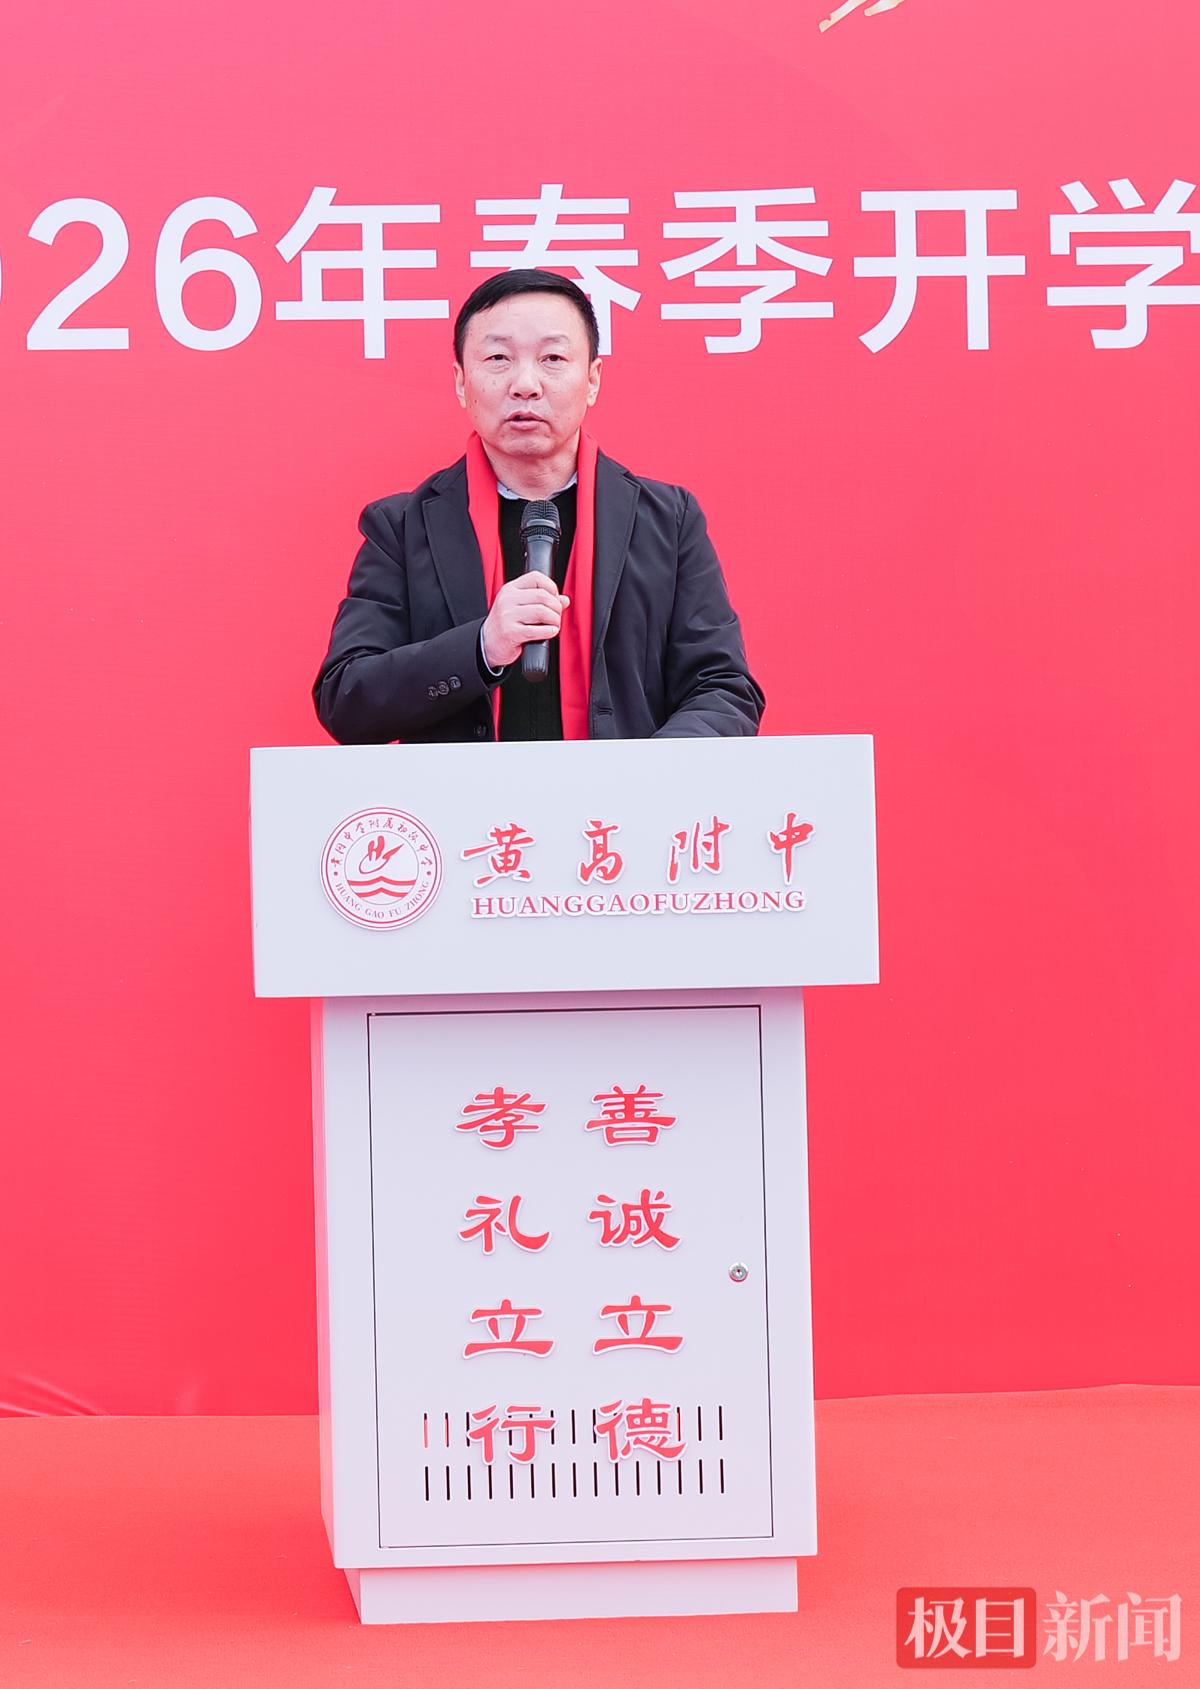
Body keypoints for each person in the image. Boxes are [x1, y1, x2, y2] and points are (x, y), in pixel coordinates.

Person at [313, 268, 764, 743]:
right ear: (462, 382)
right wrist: (481, 647)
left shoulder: (668, 520)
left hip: (624, 794)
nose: (525, 384)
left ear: (592, 379)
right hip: (461, 793)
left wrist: (643, 773)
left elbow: (724, 690)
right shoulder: (401, 528)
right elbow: (346, 701)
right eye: (498, 358)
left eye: (552, 358)